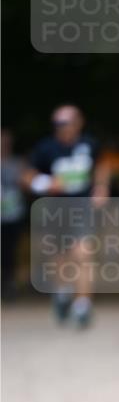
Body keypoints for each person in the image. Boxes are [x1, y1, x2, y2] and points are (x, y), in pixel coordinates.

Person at [23, 106, 110, 327]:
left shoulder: (89, 144)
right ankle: (62, 293)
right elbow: (27, 174)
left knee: (83, 253)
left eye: (66, 123)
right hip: (55, 209)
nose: (62, 128)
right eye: (58, 124)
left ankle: (83, 306)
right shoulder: (46, 148)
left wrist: (101, 187)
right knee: (59, 257)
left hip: (82, 208)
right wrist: (44, 183)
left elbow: (102, 165)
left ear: (78, 123)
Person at [1, 129, 27, 301]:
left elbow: (26, 184)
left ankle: (8, 283)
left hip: (13, 215)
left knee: (9, 251)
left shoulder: (18, 163)